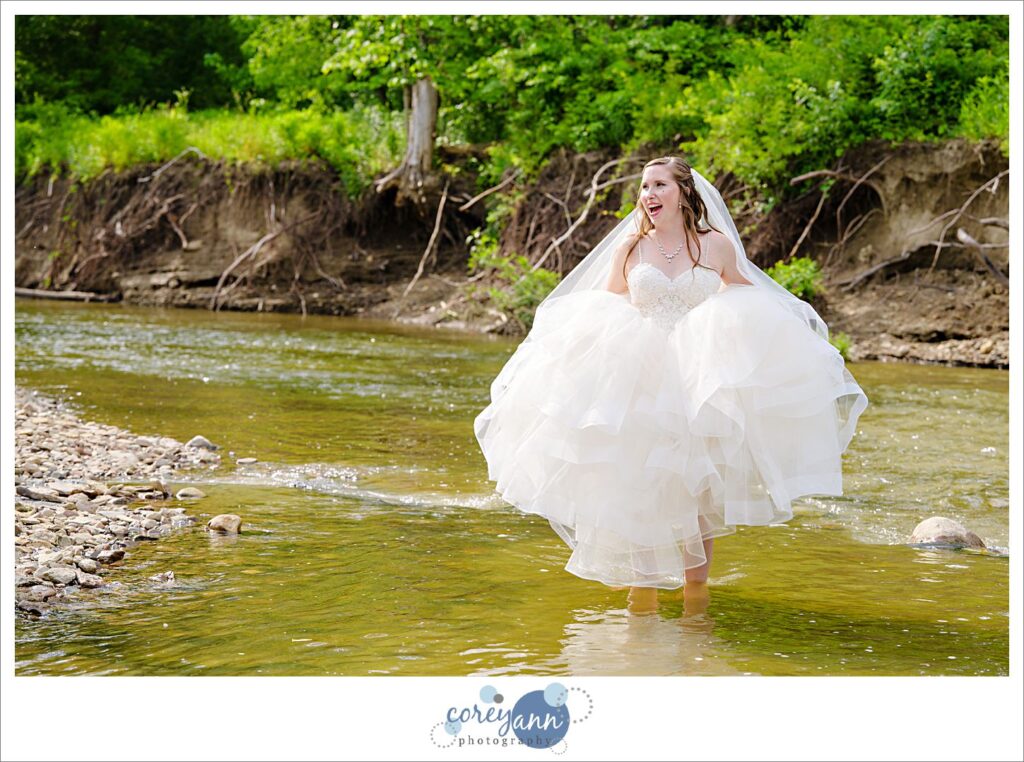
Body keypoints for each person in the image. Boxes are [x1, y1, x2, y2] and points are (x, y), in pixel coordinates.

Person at [473, 156, 868, 612]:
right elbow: (606, 305)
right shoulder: (631, 246)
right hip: (641, 371)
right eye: (644, 187)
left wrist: (735, 335)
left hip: (697, 372)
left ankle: (695, 594)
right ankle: (644, 591)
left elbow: (743, 292)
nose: (648, 195)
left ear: (683, 191)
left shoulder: (716, 245)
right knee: (643, 474)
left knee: (697, 482)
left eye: (659, 185)